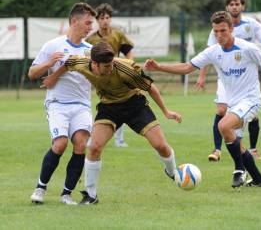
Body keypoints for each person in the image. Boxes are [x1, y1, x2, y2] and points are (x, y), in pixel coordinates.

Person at [145, 11, 261, 187]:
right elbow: (187, 67)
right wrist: (159, 67)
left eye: (223, 30)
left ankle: (239, 171)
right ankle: (258, 179)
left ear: (231, 29)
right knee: (233, 139)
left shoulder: (246, 48)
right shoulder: (213, 51)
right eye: (215, 31)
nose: (219, 35)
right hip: (234, 103)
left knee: (223, 125)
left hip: (251, 100)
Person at [41, 42, 182, 204]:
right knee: (93, 147)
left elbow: (150, 87)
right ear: (94, 64)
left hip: (134, 105)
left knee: (161, 145)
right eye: (107, 66)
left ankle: (172, 171)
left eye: (112, 63)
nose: (111, 68)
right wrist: (53, 76)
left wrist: (166, 111)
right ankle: (91, 195)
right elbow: (68, 63)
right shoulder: (81, 63)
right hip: (109, 107)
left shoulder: (127, 68)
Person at [196, 0, 261, 162]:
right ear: (227, 7)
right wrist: (201, 76)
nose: (234, 7)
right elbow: (207, 54)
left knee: (251, 116)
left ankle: (252, 151)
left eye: (237, 4)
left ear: (243, 6)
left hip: (245, 76)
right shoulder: (217, 28)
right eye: (231, 4)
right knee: (221, 110)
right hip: (226, 77)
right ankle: (218, 149)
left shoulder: (251, 25)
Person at [28, 2, 96, 205]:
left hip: (82, 104)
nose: (90, 27)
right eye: (87, 22)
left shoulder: (90, 50)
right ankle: (40, 188)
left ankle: (66, 194)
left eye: (91, 23)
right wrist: (49, 63)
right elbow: (32, 74)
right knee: (60, 144)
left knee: (81, 145)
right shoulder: (53, 45)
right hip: (57, 103)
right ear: (74, 21)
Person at [86, 3, 134, 148]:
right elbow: (87, 58)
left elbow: (128, 51)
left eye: (107, 17)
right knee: (101, 105)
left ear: (110, 19)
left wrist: (128, 66)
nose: (105, 20)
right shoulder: (91, 39)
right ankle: (92, 135)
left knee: (119, 104)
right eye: (101, 18)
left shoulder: (117, 34)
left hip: (116, 75)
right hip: (99, 78)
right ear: (97, 20)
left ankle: (119, 140)